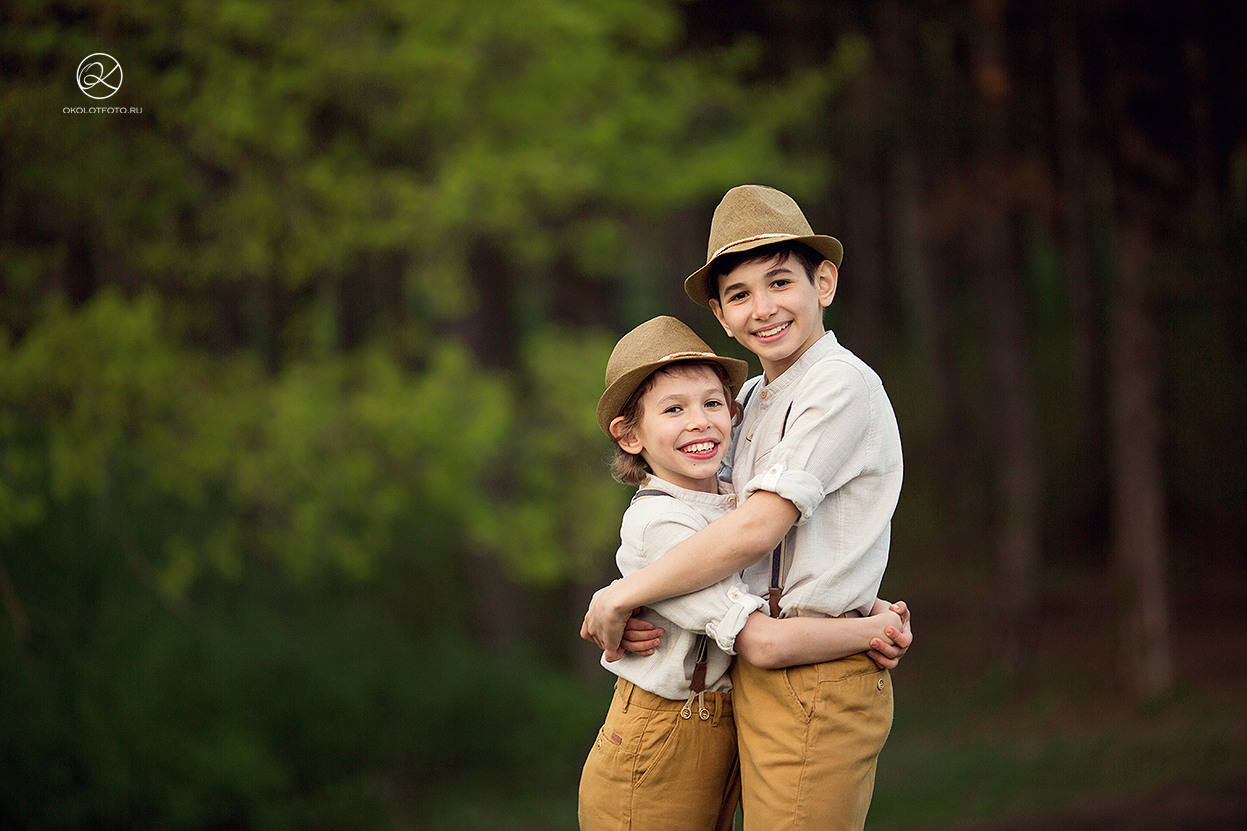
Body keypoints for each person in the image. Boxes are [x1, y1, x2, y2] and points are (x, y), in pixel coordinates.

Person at [582, 185, 907, 830]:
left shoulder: (838, 384)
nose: (763, 308)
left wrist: (623, 595)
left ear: (824, 283)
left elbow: (757, 528)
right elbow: (702, 520)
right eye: (739, 294)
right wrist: (626, 590)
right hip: (752, 672)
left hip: (813, 667)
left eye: (780, 282)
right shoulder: (751, 397)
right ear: (721, 315)